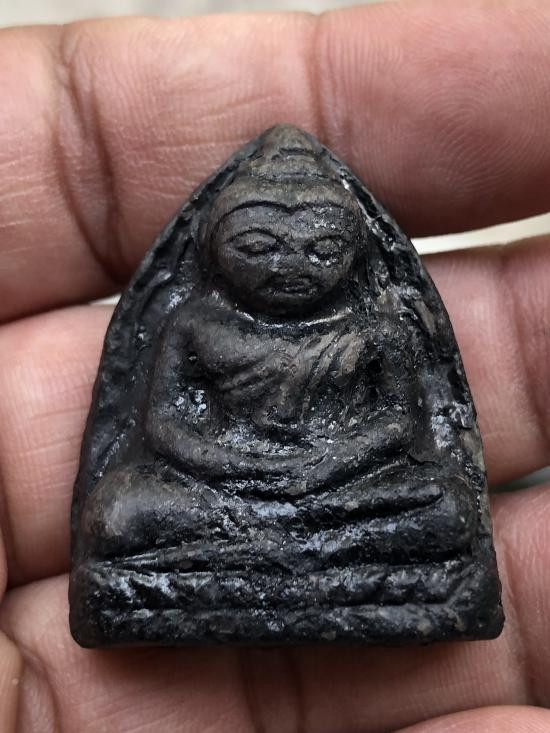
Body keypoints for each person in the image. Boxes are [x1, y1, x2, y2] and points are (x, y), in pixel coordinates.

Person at [1, 2, 550, 730]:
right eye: (260, 247)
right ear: (215, 251)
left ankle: (250, 571)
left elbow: (399, 427)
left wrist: (323, 466)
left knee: (442, 507)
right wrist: (242, 468)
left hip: (344, 482)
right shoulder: (196, 323)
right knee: (122, 513)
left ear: (354, 255)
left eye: (322, 250)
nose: (291, 267)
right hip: (220, 483)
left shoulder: (377, 327)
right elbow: (163, 427)